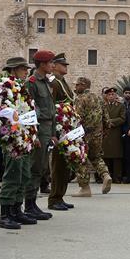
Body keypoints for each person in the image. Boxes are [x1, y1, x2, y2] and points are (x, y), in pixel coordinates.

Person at [0, 57, 40, 229]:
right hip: (13, 137)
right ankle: (5, 213)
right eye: (23, 69)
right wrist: (11, 133)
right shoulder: (5, 86)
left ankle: (16, 209)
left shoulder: (22, 88)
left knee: (24, 175)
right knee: (12, 175)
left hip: (24, 137)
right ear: (13, 70)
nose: (26, 72)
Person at [25, 50, 56, 217]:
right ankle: (29, 204)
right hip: (38, 128)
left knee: (41, 168)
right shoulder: (32, 82)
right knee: (35, 167)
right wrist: (34, 134)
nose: (53, 65)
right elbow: (29, 109)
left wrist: (52, 133)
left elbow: (51, 109)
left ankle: (32, 203)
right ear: (42, 64)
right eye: (50, 62)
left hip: (47, 128)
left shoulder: (46, 82)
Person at [73, 77, 112, 196]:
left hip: (83, 135)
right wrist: (104, 132)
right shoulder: (99, 99)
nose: (75, 87)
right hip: (97, 134)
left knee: (81, 159)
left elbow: (78, 118)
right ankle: (105, 175)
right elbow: (106, 119)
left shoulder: (80, 99)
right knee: (96, 157)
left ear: (83, 85)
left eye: (77, 85)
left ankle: (85, 188)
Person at [47, 52, 75, 211]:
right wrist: (54, 130)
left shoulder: (62, 81)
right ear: (55, 66)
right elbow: (51, 106)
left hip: (67, 127)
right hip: (58, 127)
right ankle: (54, 198)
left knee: (65, 164)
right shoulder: (53, 82)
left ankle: (60, 196)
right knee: (58, 165)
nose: (65, 67)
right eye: (63, 64)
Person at [102, 87, 125, 183]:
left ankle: (117, 177)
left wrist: (111, 122)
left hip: (116, 133)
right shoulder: (103, 106)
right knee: (106, 156)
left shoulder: (120, 106)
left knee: (116, 157)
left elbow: (122, 118)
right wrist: (106, 123)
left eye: (113, 94)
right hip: (106, 134)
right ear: (106, 96)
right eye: (109, 95)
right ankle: (106, 177)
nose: (111, 96)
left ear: (116, 96)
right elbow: (99, 117)